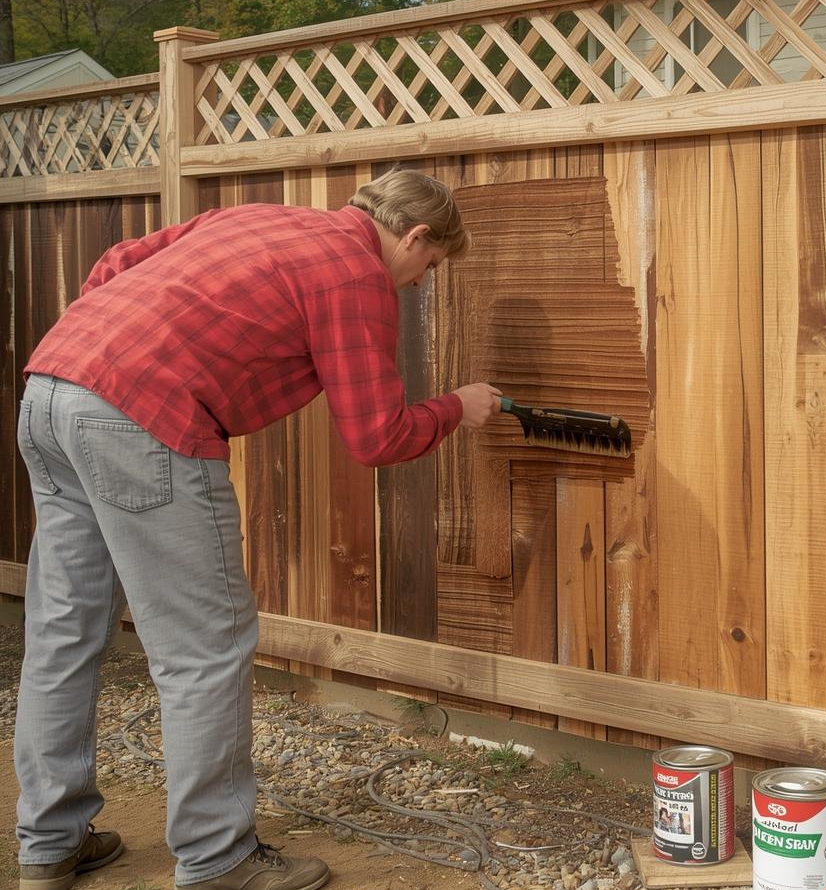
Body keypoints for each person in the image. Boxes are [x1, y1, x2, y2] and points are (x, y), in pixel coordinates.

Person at [14, 168, 501, 890]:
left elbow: (113, 265)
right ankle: (217, 860)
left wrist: (114, 364)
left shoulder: (260, 218)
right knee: (205, 648)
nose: (418, 284)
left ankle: (48, 844)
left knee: (64, 629)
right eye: (426, 267)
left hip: (54, 386)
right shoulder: (354, 271)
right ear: (414, 234)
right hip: (144, 417)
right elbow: (375, 435)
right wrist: (456, 408)